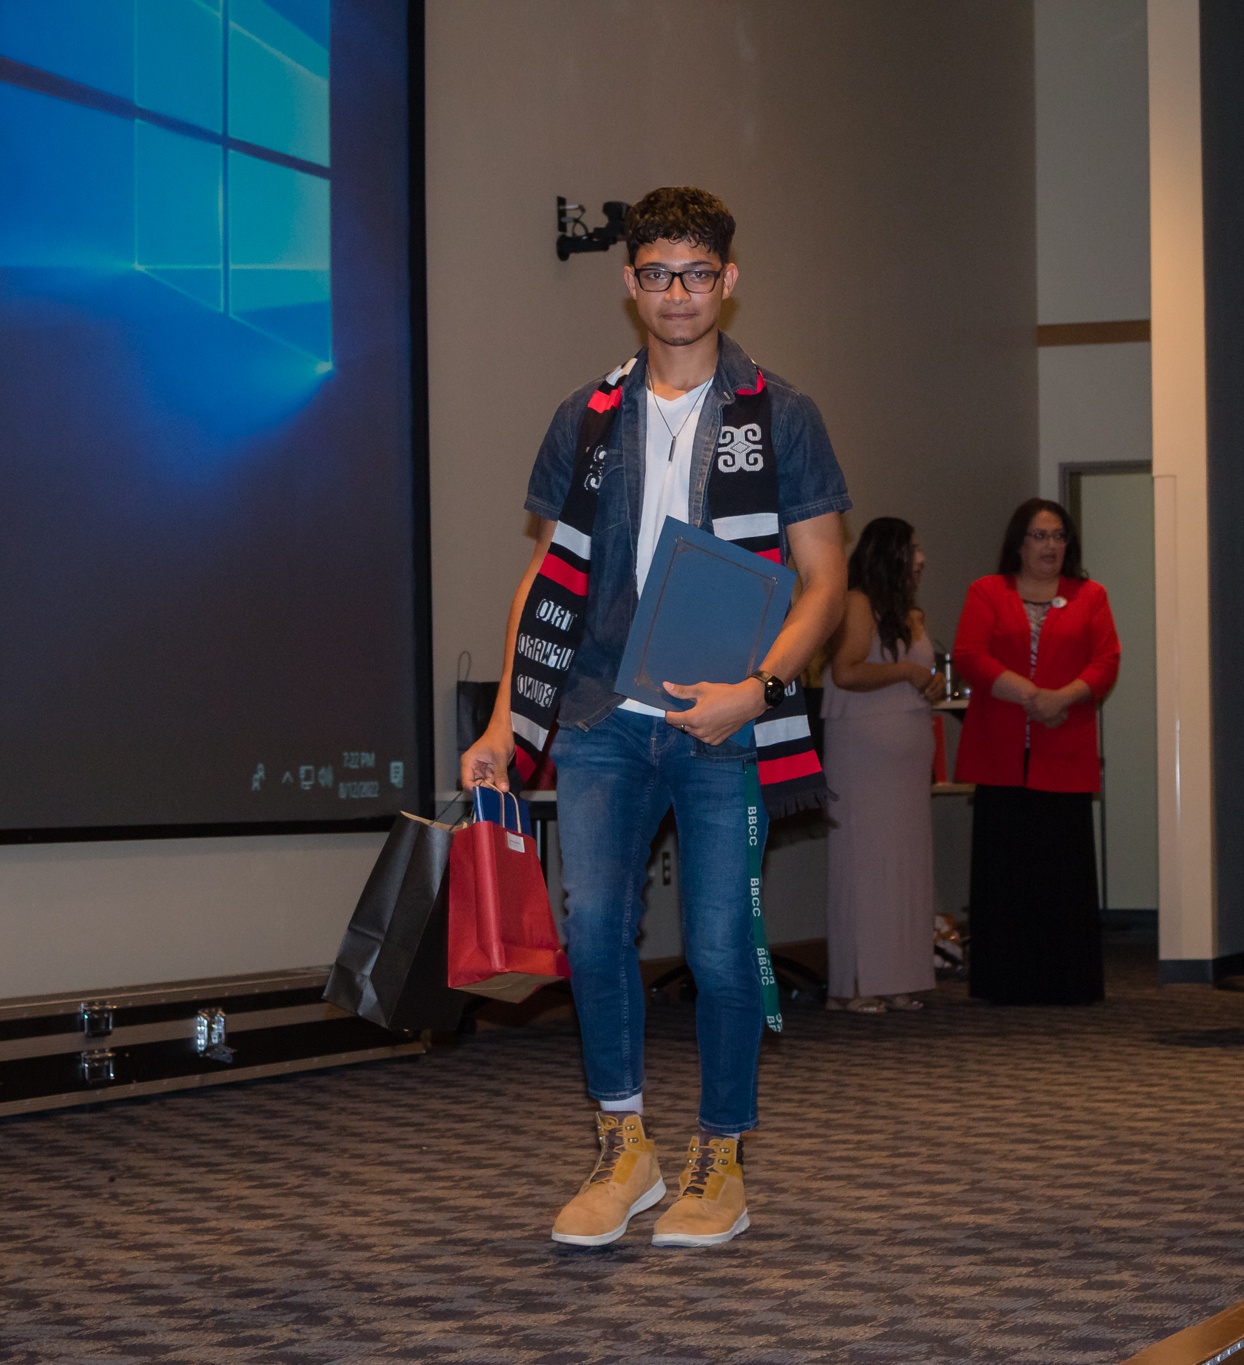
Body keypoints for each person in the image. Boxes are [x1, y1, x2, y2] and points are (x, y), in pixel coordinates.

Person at [461, 187, 849, 1249]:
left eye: (695, 273)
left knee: (722, 951)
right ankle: (621, 1147)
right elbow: (546, 572)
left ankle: (718, 1159)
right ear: (627, 284)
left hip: (724, 722)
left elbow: (824, 581)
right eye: (654, 274)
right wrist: (506, 721)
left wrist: (755, 692)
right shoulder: (585, 417)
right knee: (592, 930)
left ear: (726, 281)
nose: (675, 294)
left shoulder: (781, 414)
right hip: (597, 715)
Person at [951, 498, 1120, 1006]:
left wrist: (1061, 699)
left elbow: (1106, 661)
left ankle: (1067, 982)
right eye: (1040, 536)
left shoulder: (1091, 595)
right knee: (1005, 874)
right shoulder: (986, 591)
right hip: (1001, 753)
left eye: (1059, 536)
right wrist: (1029, 696)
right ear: (1019, 543)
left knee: (1062, 875)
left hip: (1063, 750)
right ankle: (1005, 981)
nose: (1051, 546)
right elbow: (969, 656)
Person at [821, 517, 945, 1014]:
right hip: (863, 755)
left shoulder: (911, 614)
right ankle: (854, 984)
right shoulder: (855, 603)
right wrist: (912, 672)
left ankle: (897, 976)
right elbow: (846, 671)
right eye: (912, 548)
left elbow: (918, 673)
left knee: (905, 867)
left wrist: (932, 682)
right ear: (888, 554)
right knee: (867, 863)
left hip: (908, 750)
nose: (921, 557)